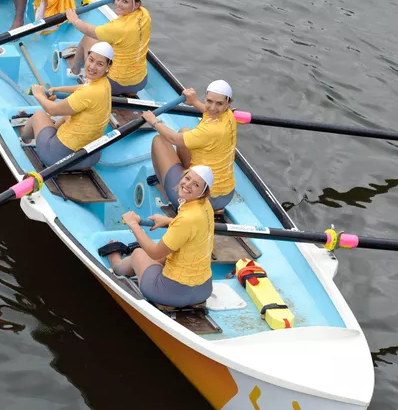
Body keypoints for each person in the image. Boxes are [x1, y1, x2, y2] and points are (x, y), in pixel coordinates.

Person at [108, 165, 215, 308]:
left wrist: (133, 224)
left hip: (170, 293)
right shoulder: (205, 206)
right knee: (166, 255)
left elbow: (154, 252)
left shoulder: (187, 219)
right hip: (203, 290)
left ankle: (117, 265)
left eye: (195, 185)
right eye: (187, 178)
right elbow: (195, 229)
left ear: (203, 192)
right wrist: (169, 221)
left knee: (139, 253)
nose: (188, 185)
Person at [142, 80, 236, 212]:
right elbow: (208, 112)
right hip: (225, 196)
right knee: (185, 131)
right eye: (209, 101)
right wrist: (194, 102)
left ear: (228, 102)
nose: (213, 107)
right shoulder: (229, 116)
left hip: (202, 199)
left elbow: (173, 139)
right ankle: (187, 179)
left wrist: (154, 121)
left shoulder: (210, 131)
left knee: (159, 141)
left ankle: (169, 194)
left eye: (219, 103)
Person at [21, 42, 114, 169]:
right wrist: (59, 89)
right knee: (68, 113)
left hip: (57, 159)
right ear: (87, 58)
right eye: (91, 60)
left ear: (108, 66)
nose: (92, 66)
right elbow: (84, 86)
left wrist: (39, 94)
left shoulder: (87, 93)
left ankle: (25, 139)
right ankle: (49, 132)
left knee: (39, 115)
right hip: (89, 157)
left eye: (100, 64)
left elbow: (53, 110)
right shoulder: (104, 83)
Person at [64, 0, 151, 95]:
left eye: (124, 1)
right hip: (140, 82)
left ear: (137, 4)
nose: (118, 4)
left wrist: (74, 19)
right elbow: (129, 2)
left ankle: (75, 69)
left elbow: (88, 30)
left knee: (88, 38)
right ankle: (130, 93)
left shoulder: (116, 28)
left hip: (113, 84)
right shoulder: (145, 15)